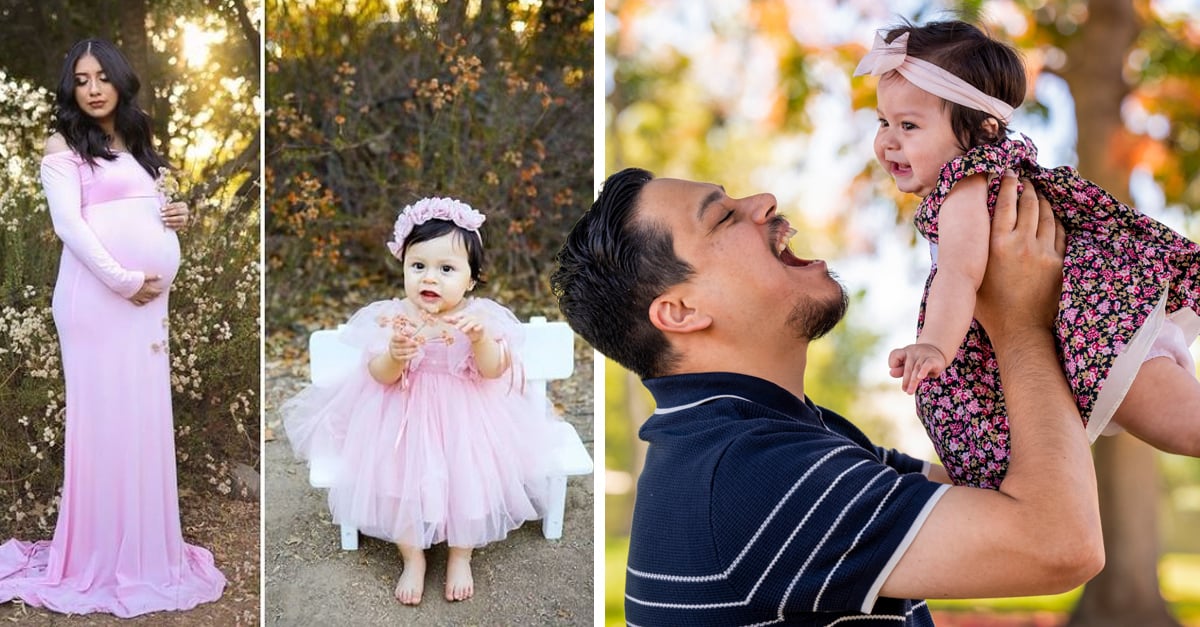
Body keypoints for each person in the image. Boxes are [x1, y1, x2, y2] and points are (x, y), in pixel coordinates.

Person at [553, 167, 1103, 625]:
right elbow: (1059, 543)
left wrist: (973, 295)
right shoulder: (750, 477)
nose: (764, 201)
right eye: (722, 216)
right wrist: (1021, 324)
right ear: (681, 312)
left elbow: (989, 487)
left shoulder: (771, 439)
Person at [856, 20, 1200, 488]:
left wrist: (935, 343)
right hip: (1095, 326)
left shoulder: (964, 187)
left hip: (1099, 337)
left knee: (1187, 426)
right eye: (883, 121)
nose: (888, 140)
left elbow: (958, 274)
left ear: (981, 129)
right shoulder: (995, 174)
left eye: (909, 125)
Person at [0, 39, 225, 617]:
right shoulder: (63, 144)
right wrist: (125, 280)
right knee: (104, 422)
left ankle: (145, 552)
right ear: (71, 88)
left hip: (147, 307)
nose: (94, 87)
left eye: (103, 76)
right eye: (81, 79)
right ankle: (95, 555)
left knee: (142, 418)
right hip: (97, 302)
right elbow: (70, 226)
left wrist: (179, 216)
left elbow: (156, 209)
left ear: (122, 81)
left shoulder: (139, 140)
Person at [282, 197, 556, 605]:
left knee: (470, 481)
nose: (430, 277)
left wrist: (480, 340)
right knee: (400, 483)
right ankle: (412, 557)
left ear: (471, 279)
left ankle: (461, 554)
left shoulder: (480, 318)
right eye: (419, 266)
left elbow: (494, 370)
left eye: (446, 269)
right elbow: (378, 374)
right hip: (402, 416)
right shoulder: (394, 317)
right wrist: (395, 354)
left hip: (467, 416)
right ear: (404, 266)